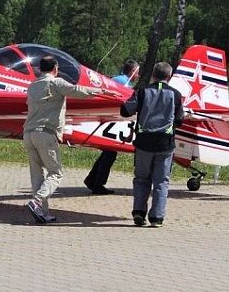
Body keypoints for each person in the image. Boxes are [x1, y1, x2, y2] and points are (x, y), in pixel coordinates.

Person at [23, 55, 109, 223]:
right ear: (55, 68)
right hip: (45, 133)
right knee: (55, 173)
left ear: (40, 69)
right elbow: (77, 91)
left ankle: (42, 212)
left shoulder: (32, 86)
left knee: (37, 175)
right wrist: (102, 91)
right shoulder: (56, 82)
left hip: (28, 133)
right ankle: (37, 201)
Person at [120, 62, 185, 228]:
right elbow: (179, 120)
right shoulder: (176, 95)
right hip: (165, 144)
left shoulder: (142, 91)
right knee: (161, 181)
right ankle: (157, 218)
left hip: (144, 142)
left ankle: (139, 213)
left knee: (141, 178)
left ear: (153, 76)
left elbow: (125, 111)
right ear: (169, 77)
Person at [84, 59, 140, 195]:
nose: (138, 75)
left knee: (108, 152)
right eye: (137, 72)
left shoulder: (116, 79)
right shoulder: (125, 83)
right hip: (110, 120)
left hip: (106, 119)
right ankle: (97, 184)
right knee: (110, 152)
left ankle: (92, 180)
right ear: (133, 71)